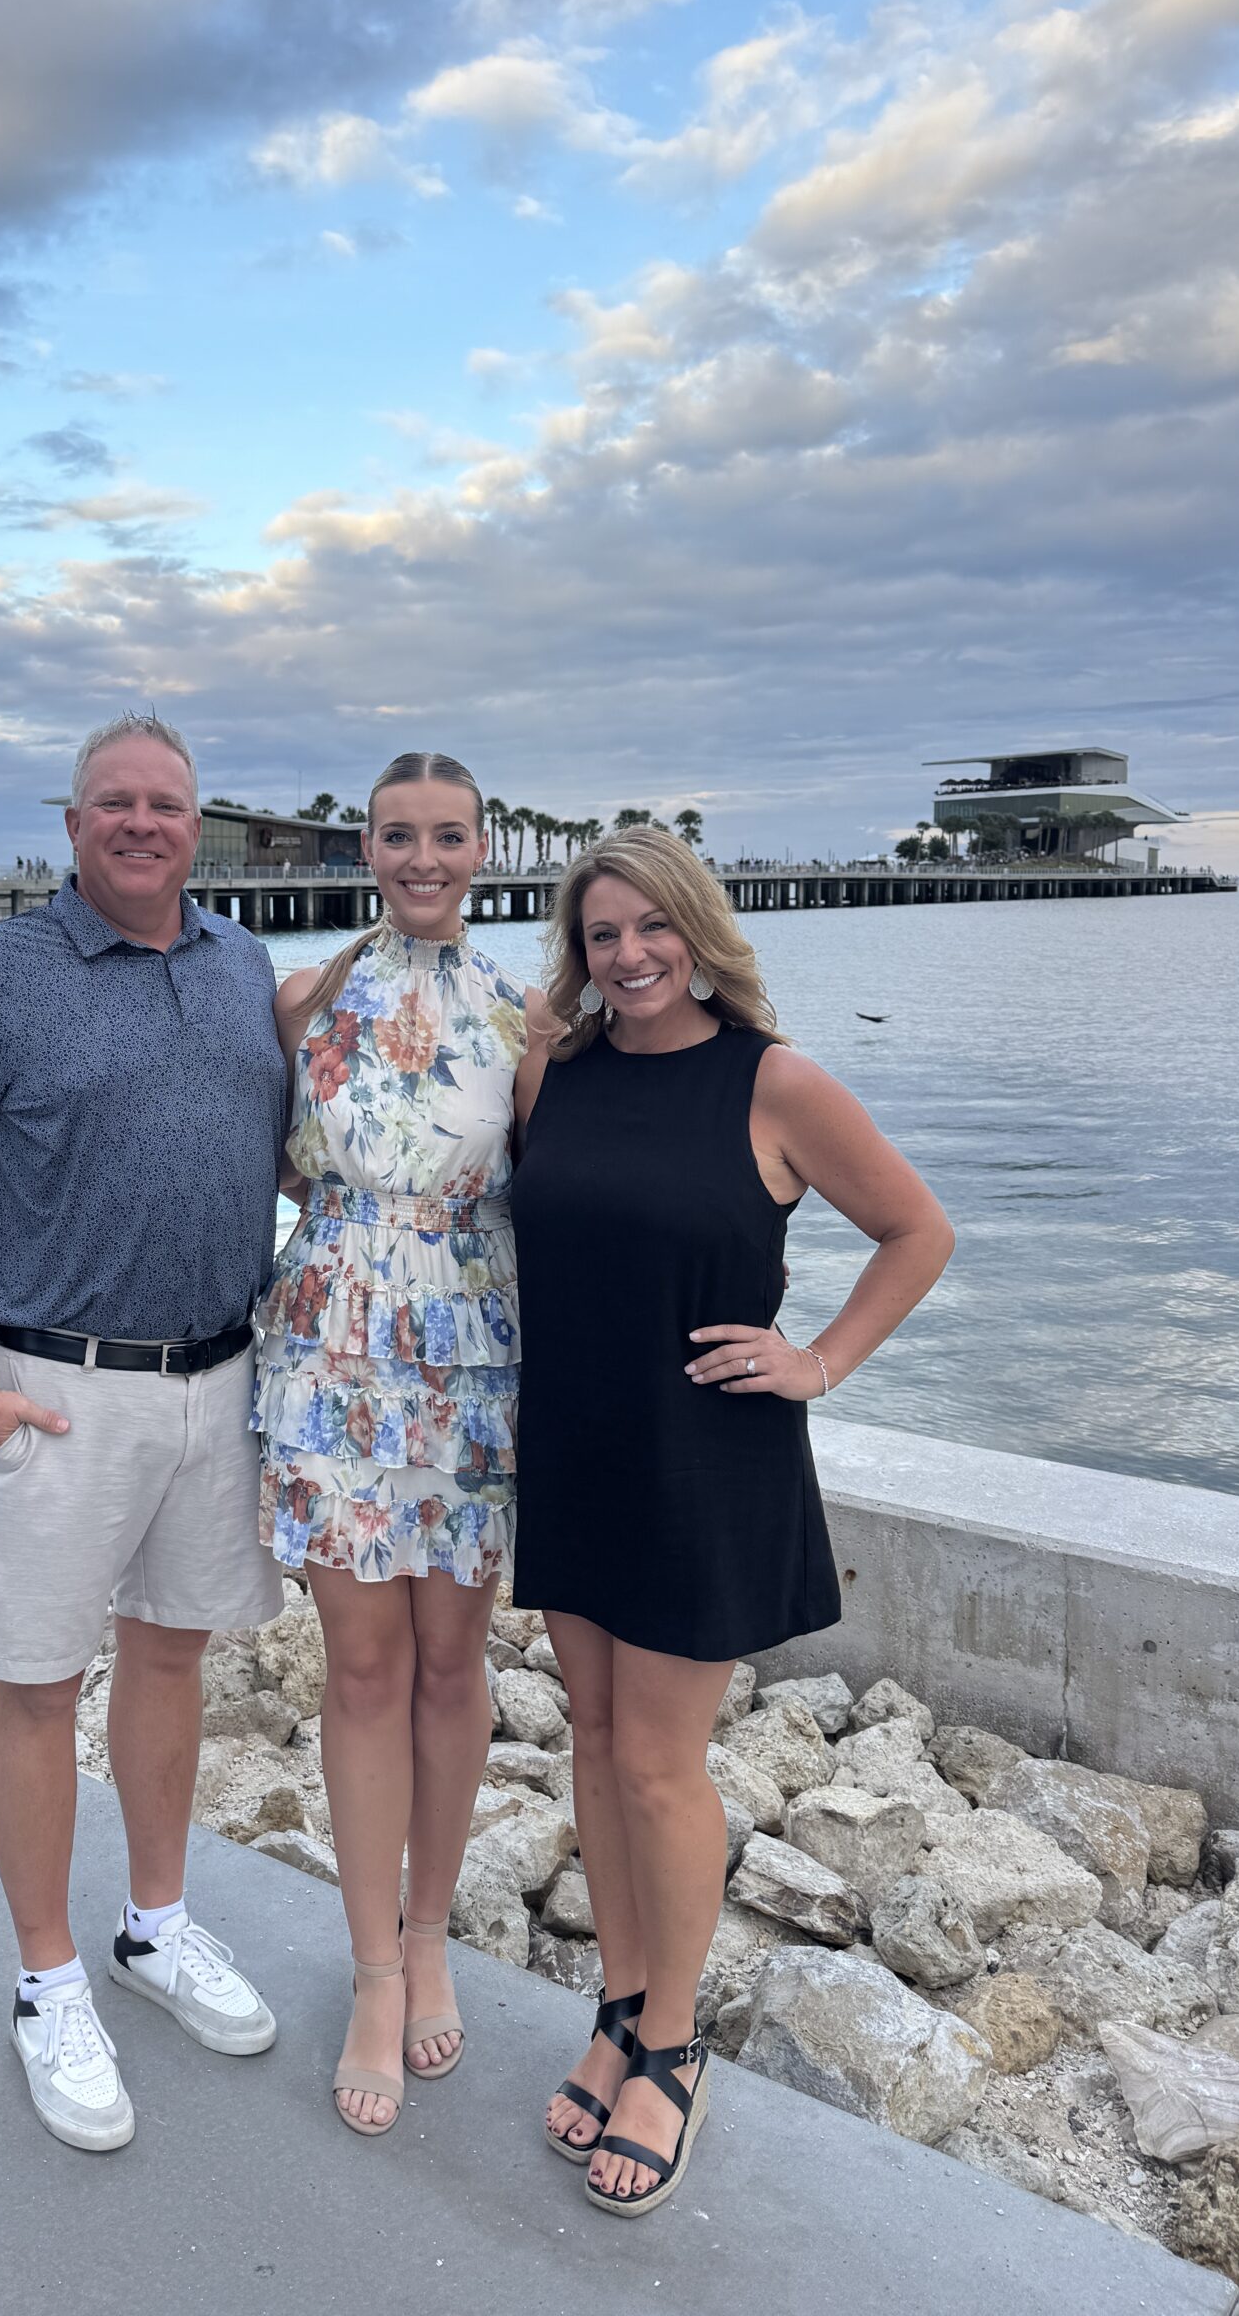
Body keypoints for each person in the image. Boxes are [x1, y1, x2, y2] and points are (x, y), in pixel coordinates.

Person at [510, 826, 953, 2217]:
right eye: (602, 936)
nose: (630, 956)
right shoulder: (554, 1071)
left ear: (700, 931)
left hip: (704, 1454)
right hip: (574, 1443)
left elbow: (918, 1232)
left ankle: (674, 2045)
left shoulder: (775, 1082)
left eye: (654, 929)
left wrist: (815, 1359)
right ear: (577, 955)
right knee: (589, 1740)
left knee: (657, 1764)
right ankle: (617, 2005)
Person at [0, 713, 288, 2155]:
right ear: (71, 825)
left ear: (199, 824)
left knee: (173, 1651)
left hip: (222, 1375)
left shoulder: (245, 969)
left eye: (165, 804)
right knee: (40, 1683)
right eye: (113, 803)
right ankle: (47, 1977)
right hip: (58, 1386)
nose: (141, 824)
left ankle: (155, 1927)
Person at [257, 752, 530, 2136]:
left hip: (471, 1369)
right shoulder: (303, 999)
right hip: (331, 1357)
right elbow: (261, 1167)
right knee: (360, 1667)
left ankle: (432, 1939)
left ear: (482, 848)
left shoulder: (526, 1019)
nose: (424, 857)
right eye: (398, 836)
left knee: (448, 1663)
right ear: (366, 847)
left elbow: (572, 1201)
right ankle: (373, 1967)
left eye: (448, 835)